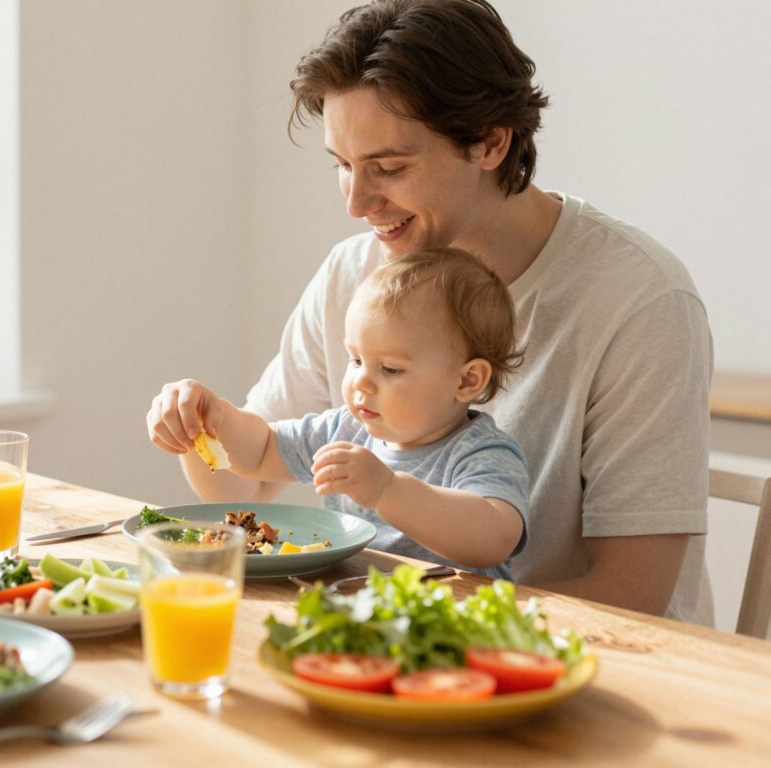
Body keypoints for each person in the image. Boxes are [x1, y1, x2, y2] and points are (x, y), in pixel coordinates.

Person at [150, 0, 712, 623]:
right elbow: (247, 482)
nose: (357, 203)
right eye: (343, 166)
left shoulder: (639, 298)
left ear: (491, 142)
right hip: (392, 638)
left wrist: (421, 626)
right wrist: (195, 427)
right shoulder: (354, 275)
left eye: (389, 168)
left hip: (576, 657)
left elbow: (632, 597)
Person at [150, 247, 530, 579]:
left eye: (390, 369)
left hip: (451, 621)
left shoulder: (481, 452)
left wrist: (388, 490)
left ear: (466, 380)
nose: (360, 381)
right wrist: (211, 416)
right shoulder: (345, 429)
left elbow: (495, 538)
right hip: (355, 609)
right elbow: (261, 450)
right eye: (356, 359)